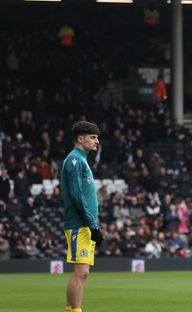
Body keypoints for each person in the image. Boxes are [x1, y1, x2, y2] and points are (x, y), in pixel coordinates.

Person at [61, 121, 103, 312]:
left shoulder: (81, 160)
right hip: (80, 224)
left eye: (97, 138)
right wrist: (93, 225)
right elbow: (77, 195)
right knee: (81, 272)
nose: (97, 141)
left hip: (85, 224)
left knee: (83, 273)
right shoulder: (74, 161)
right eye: (93, 137)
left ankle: (72, 310)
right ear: (80, 138)